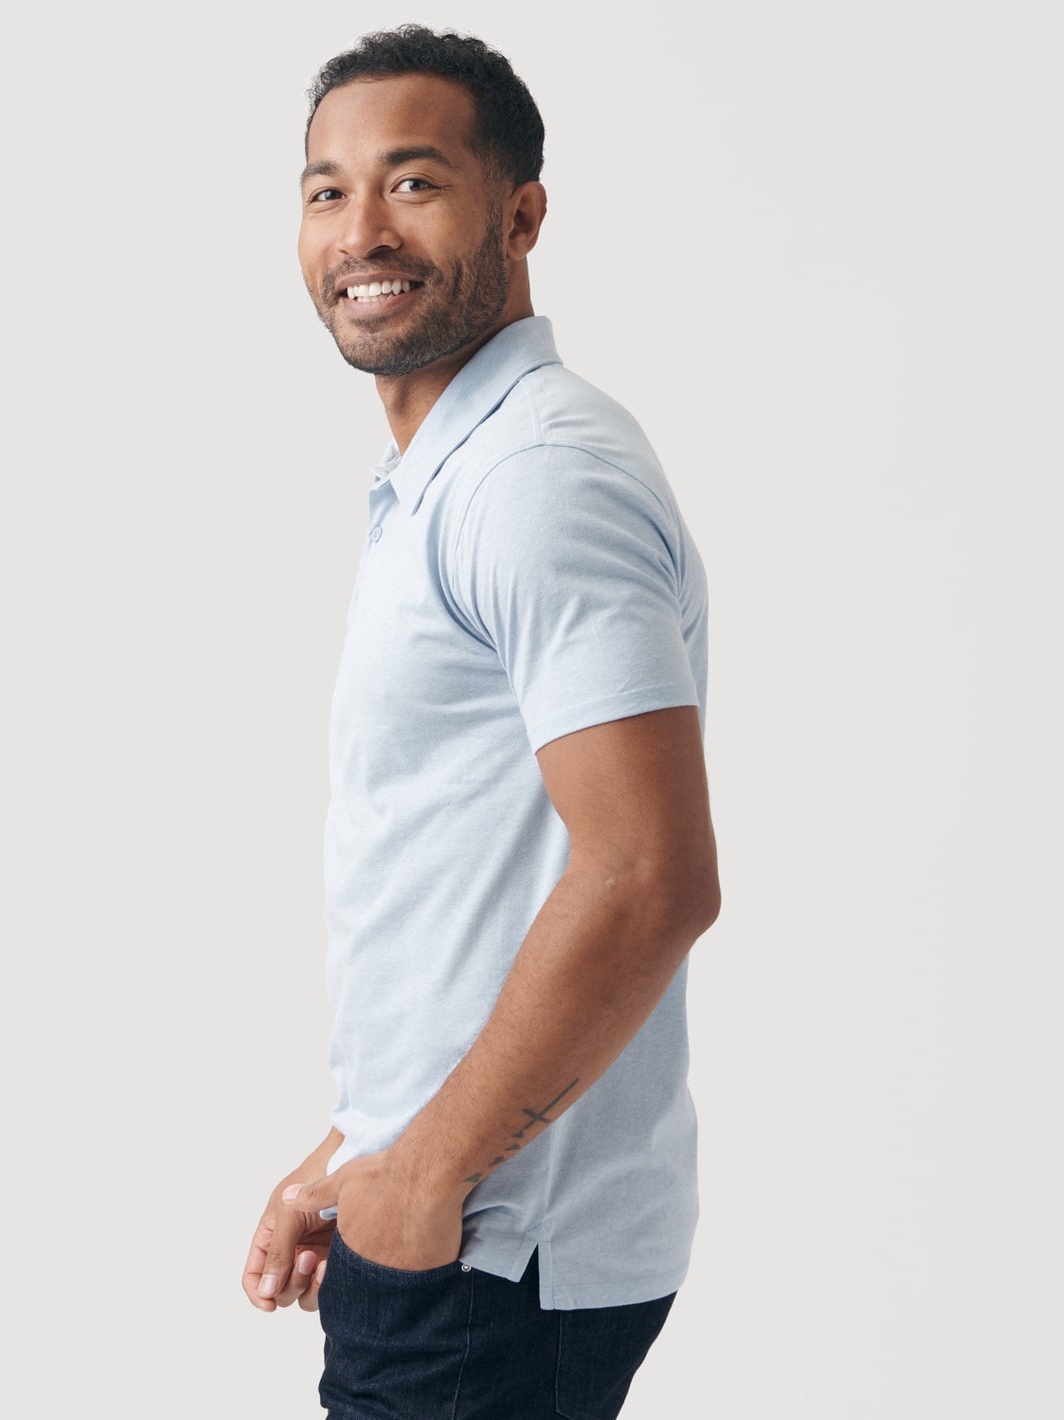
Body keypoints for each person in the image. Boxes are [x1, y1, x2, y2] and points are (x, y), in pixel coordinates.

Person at [242, 25, 721, 1420]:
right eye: (327, 191)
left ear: (522, 215)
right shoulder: (448, 482)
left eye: (413, 181)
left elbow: (649, 879)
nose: (360, 230)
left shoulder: (535, 481)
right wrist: (362, 1146)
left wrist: (429, 1174)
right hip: (460, 1231)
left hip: (491, 1259)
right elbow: (474, 872)